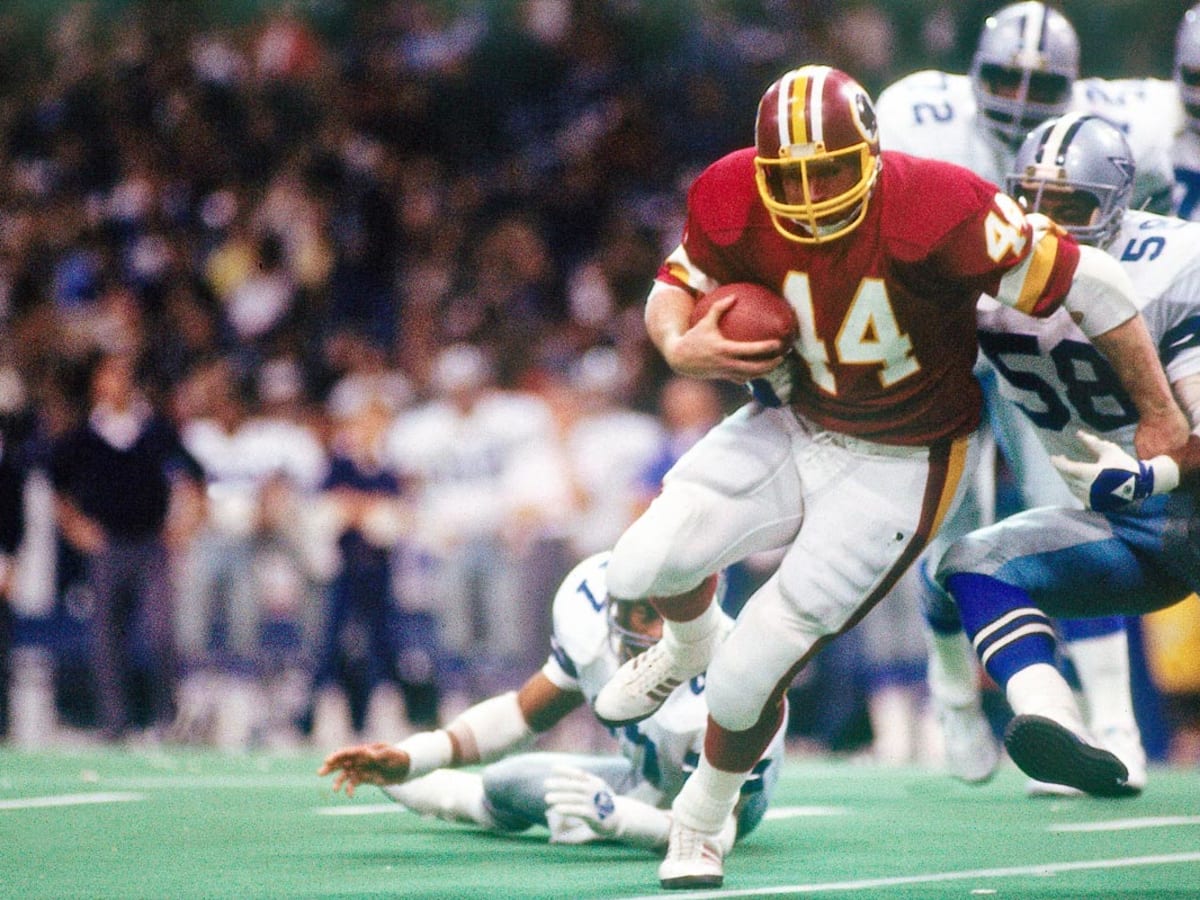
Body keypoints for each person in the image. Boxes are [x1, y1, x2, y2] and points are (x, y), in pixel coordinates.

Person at [591, 64, 1188, 890]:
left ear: (871, 154)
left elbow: (1097, 278)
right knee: (638, 566)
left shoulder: (940, 206)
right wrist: (678, 344)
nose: (808, 192)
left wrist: (1159, 411)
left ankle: (700, 821)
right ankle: (692, 639)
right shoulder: (730, 192)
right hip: (793, 416)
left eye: (830, 168)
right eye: (790, 175)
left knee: (746, 677)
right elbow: (676, 282)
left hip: (903, 458)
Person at [874, 1, 1165, 792]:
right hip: (944, 334)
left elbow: (1166, 181)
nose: (1018, 97)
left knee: (1070, 517)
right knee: (945, 524)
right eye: (1003, 76)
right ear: (972, 73)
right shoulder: (916, 117)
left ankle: (1111, 722)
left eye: (1039, 83)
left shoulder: (1115, 124)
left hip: (1047, 335)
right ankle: (952, 691)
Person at [934, 112, 1200, 797]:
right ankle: (1057, 719)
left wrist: (1152, 474)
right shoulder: (983, 278)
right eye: (1034, 201)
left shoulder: (1176, 263)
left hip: (1176, 498)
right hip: (1129, 529)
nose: (1047, 222)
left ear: (1114, 204)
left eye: (1070, 205)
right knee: (972, 561)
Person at [318, 551, 784, 853]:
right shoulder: (591, 624)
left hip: (723, 800)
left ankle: (598, 818)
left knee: (608, 812)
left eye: (675, 615)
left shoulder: (734, 672)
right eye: (646, 613)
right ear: (611, 603)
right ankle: (434, 793)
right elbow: (520, 716)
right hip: (646, 774)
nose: (658, 634)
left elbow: (715, 832)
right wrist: (416, 756)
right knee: (507, 781)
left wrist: (621, 819)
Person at [49, 349, 207, 741]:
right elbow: (57, 486)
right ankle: (114, 721)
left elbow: (195, 476)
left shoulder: (154, 431)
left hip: (150, 544)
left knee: (160, 633)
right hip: (108, 546)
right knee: (106, 637)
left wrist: (185, 525)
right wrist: (75, 527)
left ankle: (165, 717)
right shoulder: (82, 437)